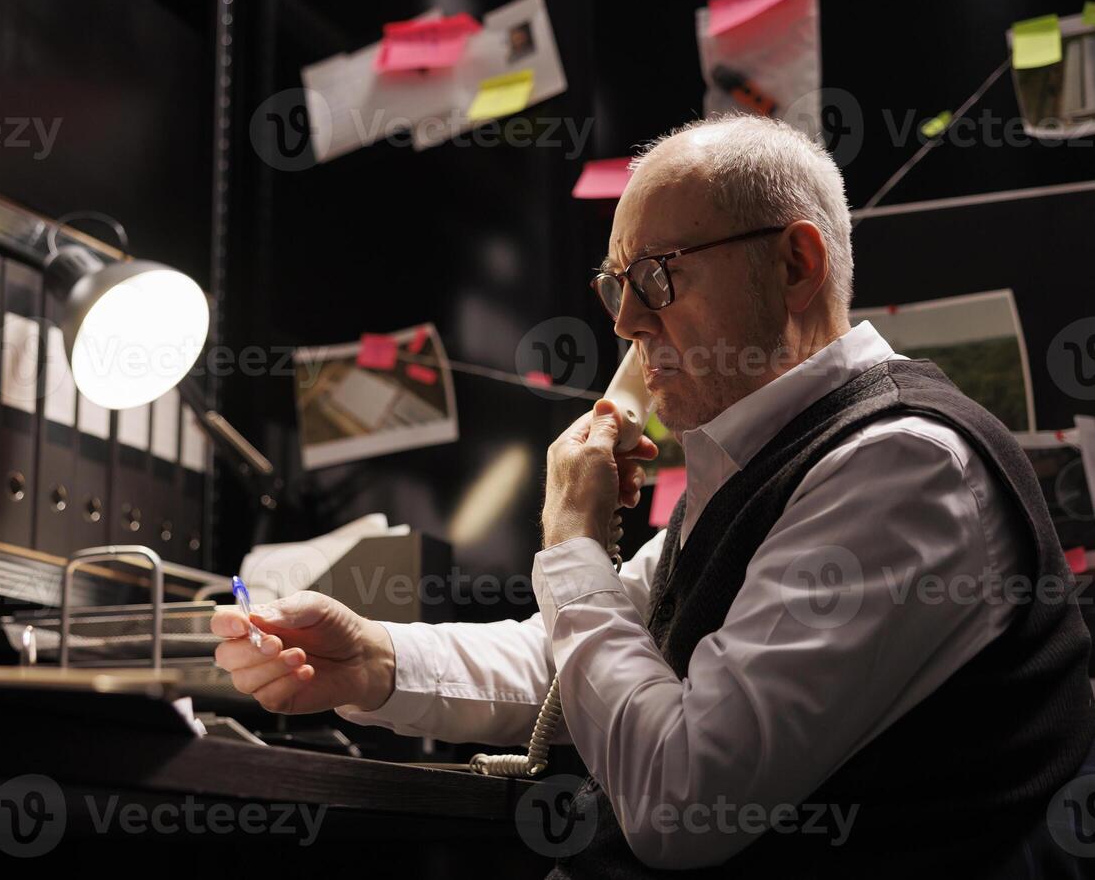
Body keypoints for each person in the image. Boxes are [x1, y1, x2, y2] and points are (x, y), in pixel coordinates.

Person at [211, 114, 1095, 876]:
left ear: (795, 265)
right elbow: (581, 664)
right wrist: (375, 661)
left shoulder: (902, 467)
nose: (628, 323)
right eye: (615, 287)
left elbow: (680, 800)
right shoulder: (767, 456)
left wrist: (570, 544)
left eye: (658, 278)